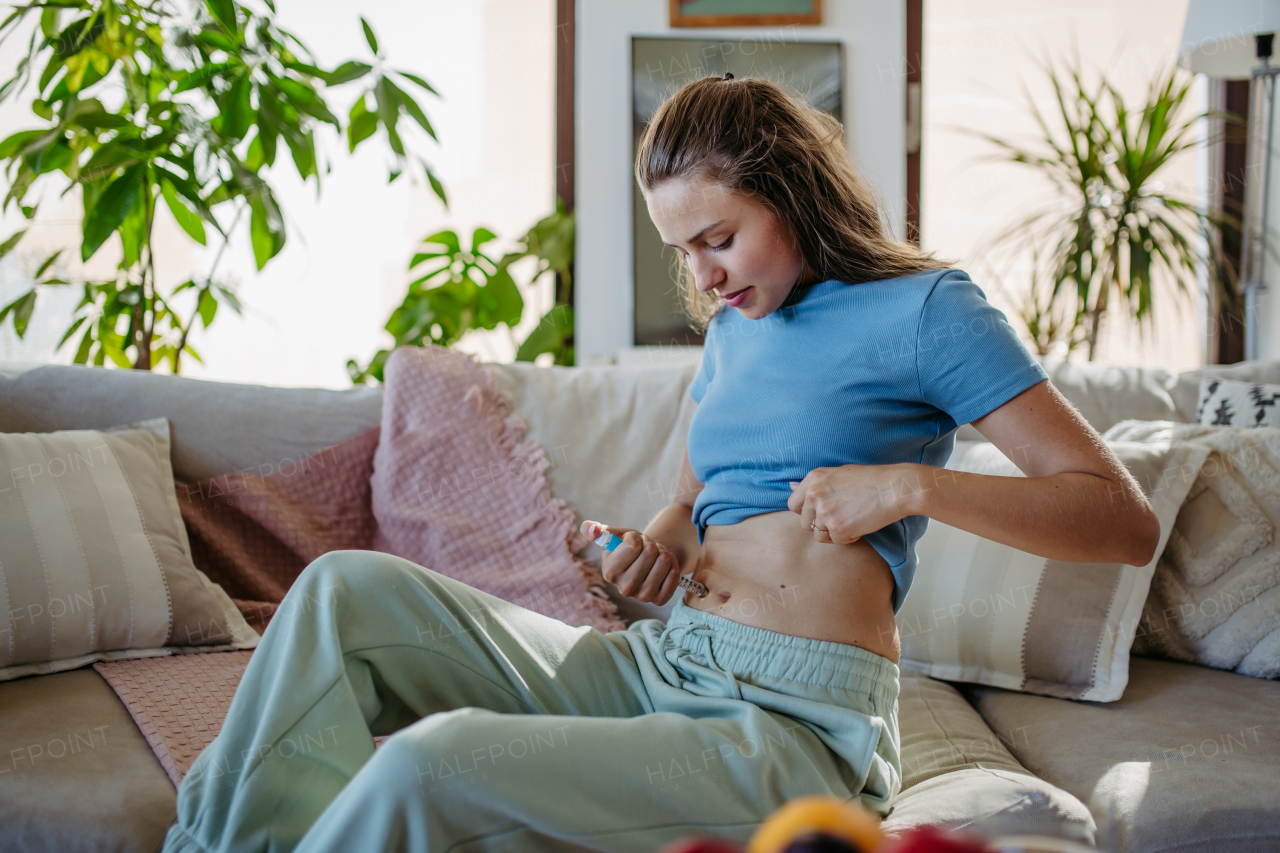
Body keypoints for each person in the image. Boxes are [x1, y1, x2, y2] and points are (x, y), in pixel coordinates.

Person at [162, 73, 1161, 853]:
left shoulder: (928, 311)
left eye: (718, 238)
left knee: (433, 766)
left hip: (790, 728)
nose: (703, 275)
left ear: (791, 194)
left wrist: (905, 486)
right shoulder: (733, 331)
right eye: (682, 251)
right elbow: (688, 506)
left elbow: (1116, 522)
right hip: (661, 662)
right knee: (341, 593)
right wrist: (655, 546)